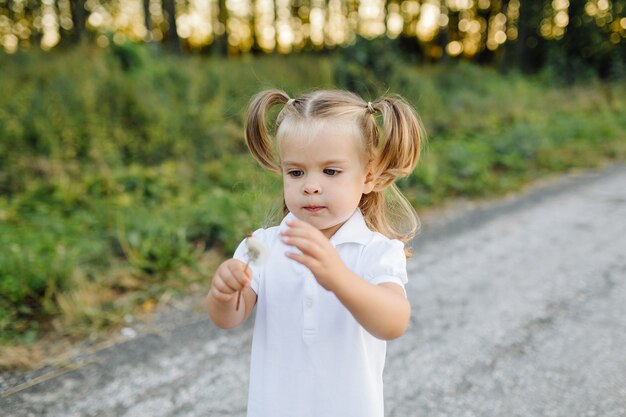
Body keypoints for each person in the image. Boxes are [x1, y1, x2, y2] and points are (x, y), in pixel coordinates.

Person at [206, 89, 425, 417]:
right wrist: (223, 293)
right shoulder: (263, 245)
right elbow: (228, 319)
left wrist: (337, 277)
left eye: (330, 171)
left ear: (368, 177)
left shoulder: (376, 251)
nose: (310, 185)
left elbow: (393, 322)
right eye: (296, 172)